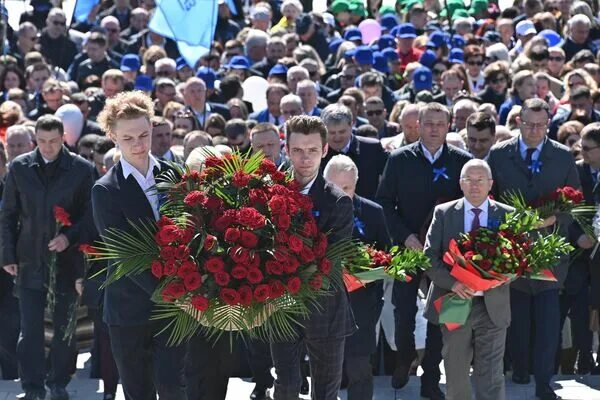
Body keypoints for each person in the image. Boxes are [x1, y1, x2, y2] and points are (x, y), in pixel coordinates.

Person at [92, 91, 187, 400]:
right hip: (129, 309)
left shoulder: (174, 175)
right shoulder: (106, 189)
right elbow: (122, 254)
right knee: (139, 392)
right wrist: (166, 293)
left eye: (144, 134)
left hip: (174, 307)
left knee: (174, 387)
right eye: (128, 137)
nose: (138, 143)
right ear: (113, 137)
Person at [376, 102, 472, 400]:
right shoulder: (400, 159)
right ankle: (405, 357)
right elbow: (385, 204)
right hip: (409, 247)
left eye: (439, 124)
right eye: (428, 123)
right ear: (417, 124)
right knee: (403, 310)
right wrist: (405, 237)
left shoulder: (461, 161)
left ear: (449, 126)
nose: (433, 129)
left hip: (445, 252)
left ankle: (431, 377)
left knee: (438, 316)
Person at [488, 98, 580, 400]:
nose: (534, 130)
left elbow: (575, 202)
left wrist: (553, 218)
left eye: (541, 125)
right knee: (518, 321)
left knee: (548, 321)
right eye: (529, 124)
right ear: (519, 122)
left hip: (549, 254)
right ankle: (521, 368)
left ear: (549, 124)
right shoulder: (500, 154)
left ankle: (544, 381)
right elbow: (490, 201)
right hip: (513, 252)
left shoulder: (563, 156)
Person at [1, 115, 96, 400]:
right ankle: (32, 386)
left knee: (64, 326)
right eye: (41, 141)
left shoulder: (81, 170)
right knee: (29, 329)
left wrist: (69, 236)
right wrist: (7, 254)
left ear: (63, 138)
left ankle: (58, 382)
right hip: (29, 259)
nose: (47, 147)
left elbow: (90, 216)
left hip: (66, 261)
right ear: (35, 139)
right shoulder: (20, 168)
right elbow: (8, 216)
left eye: (53, 141)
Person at [270, 115, 355, 400]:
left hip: (326, 309)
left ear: (325, 150)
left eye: (312, 151)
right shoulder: (268, 194)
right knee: (286, 387)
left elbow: (331, 259)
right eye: (297, 150)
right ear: (286, 149)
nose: (304, 159)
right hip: (281, 308)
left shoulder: (338, 201)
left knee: (326, 393)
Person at [424, 159, 515, 400]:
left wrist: (496, 278)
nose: (474, 186)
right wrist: (453, 283)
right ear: (460, 184)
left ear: (490, 184)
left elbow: (519, 260)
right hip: (455, 302)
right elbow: (428, 258)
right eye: (468, 180)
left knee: (492, 372)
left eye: (480, 180)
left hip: (492, 305)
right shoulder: (443, 213)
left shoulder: (507, 215)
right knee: (455, 370)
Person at [324, 154, 391, 400]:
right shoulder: (313, 209)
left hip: (362, 304)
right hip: (324, 303)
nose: (341, 194)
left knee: (359, 366)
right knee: (325, 368)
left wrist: (366, 272)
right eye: (334, 187)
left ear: (356, 183)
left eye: (347, 188)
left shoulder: (373, 212)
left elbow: (387, 256)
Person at [320, 104, 387, 200]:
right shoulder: (317, 153)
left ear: (351, 125)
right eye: (332, 133)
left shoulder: (372, 148)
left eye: (342, 132)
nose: (337, 137)